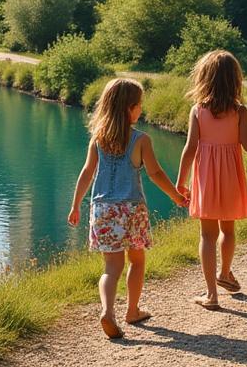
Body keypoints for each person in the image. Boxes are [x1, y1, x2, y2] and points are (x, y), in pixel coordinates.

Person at [68, 78, 188, 338]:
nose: (141, 110)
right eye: (138, 105)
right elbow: (155, 173)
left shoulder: (97, 140)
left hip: (102, 209)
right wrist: (176, 196)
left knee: (111, 268)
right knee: (137, 260)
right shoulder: (141, 140)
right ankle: (132, 310)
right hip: (131, 210)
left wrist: (76, 204)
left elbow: (87, 173)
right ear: (128, 109)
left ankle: (107, 311)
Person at [176, 50, 247, 310]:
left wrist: (181, 181)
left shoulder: (198, 110)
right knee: (227, 229)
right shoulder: (239, 111)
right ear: (235, 80)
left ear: (204, 78)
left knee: (207, 236)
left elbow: (190, 148)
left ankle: (211, 294)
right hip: (230, 176)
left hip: (206, 177)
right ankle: (225, 273)